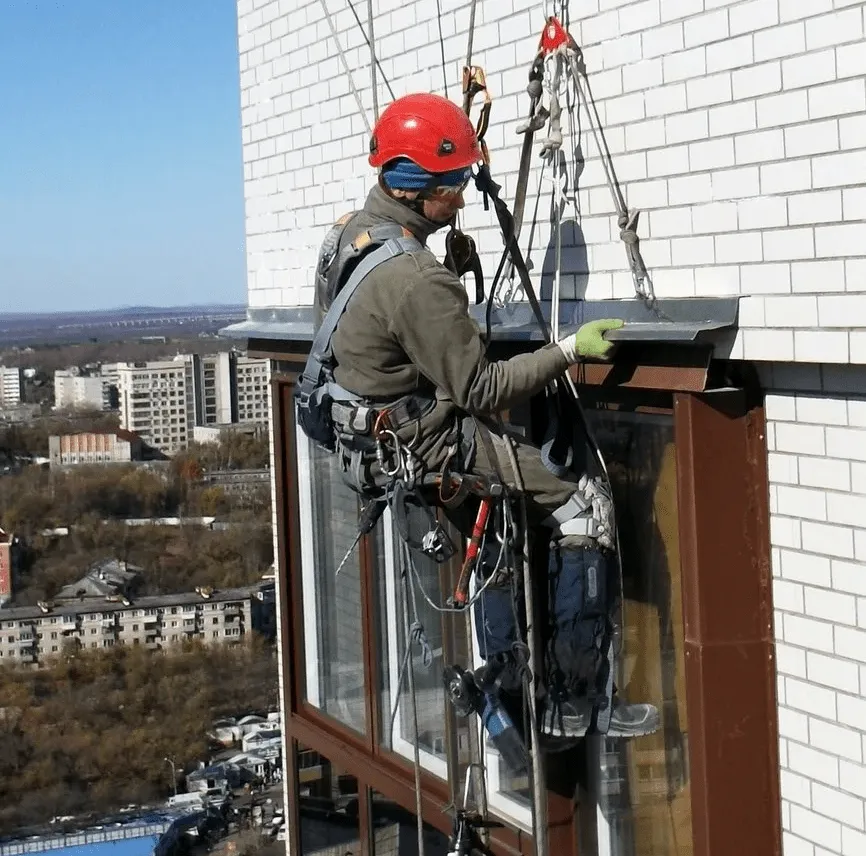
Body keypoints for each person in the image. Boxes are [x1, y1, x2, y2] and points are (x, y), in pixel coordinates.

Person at [316, 92, 658, 739]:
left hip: (371, 437)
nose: (465, 197)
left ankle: (504, 683)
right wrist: (566, 350)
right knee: (581, 506)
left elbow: (360, 338)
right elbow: (482, 388)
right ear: (422, 188)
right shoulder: (417, 279)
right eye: (457, 184)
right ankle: (576, 701)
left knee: (495, 529)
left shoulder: (348, 236)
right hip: (424, 440)